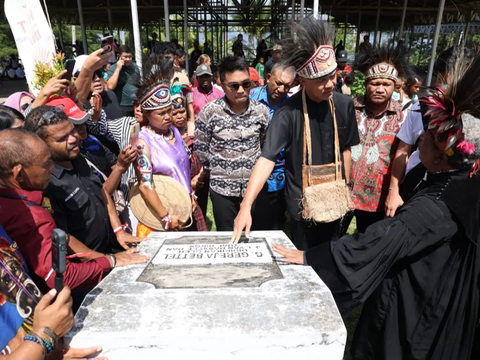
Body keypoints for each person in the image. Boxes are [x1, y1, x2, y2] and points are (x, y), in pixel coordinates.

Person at [273, 51, 480, 360]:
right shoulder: (463, 179)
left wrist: (308, 256)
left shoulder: (434, 207)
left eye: (424, 138)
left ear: (440, 154)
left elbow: (374, 244)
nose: (416, 140)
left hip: (418, 309)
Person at [231, 17, 359, 250]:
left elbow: (346, 148)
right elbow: (267, 158)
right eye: (321, 80)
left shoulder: (343, 105)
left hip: (335, 200)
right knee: (304, 258)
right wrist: (246, 206)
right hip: (302, 206)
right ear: (303, 81)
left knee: (331, 256)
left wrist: (345, 186)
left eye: (332, 76)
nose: (330, 84)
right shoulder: (287, 113)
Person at [0, 129, 147, 307]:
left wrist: (108, 248)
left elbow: (61, 233)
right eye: (46, 165)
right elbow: (61, 277)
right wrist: (112, 261)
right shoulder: (30, 217)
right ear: (19, 174)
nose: (52, 169)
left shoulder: (12, 200)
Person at [24, 103, 143, 256]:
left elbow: (102, 192)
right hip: (90, 267)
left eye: (72, 131)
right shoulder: (48, 184)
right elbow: (64, 241)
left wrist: (119, 231)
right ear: (41, 145)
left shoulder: (77, 158)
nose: (74, 139)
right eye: (62, 139)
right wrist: (110, 261)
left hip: (108, 253)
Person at [384, 47, 474, 217]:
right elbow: (403, 150)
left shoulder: (474, 119)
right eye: (443, 80)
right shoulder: (421, 108)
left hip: (456, 201)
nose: (447, 88)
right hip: (415, 190)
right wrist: (393, 190)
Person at [194, 56, 270, 231]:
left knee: (253, 236)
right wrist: (222, 168)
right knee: (228, 238)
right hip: (222, 191)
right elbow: (201, 148)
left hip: (254, 189)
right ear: (222, 84)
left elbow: (265, 146)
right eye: (234, 86)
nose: (241, 90)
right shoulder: (210, 112)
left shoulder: (261, 112)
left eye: (246, 84)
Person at [133, 59, 202, 235]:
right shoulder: (143, 143)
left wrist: (190, 195)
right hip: (162, 216)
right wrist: (167, 217)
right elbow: (145, 185)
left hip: (186, 205)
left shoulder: (173, 131)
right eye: (161, 113)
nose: (168, 116)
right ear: (147, 114)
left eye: (169, 110)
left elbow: (182, 170)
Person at [344, 47, 408, 233]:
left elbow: (403, 154)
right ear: (365, 83)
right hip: (343, 191)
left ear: (395, 86)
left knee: (367, 245)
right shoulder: (348, 108)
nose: (380, 89)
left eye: (386, 84)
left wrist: (394, 191)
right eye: (375, 83)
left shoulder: (404, 115)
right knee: (331, 241)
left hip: (377, 198)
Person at [249, 63, 296, 230]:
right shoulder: (250, 98)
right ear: (268, 78)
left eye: (287, 86)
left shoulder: (292, 107)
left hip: (278, 176)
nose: (282, 89)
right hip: (249, 172)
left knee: (272, 226)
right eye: (278, 83)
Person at [153, 42, 195, 135]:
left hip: (181, 131)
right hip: (160, 131)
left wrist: (191, 123)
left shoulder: (183, 78)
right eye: (161, 58)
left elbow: (189, 105)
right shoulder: (152, 81)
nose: (165, 61)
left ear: (174, 58)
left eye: (168, 58)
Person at [107, 45, 140, 117]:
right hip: (122, 106)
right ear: (119, 56)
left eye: (130, 57)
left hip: (135, 105)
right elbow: (110, 86)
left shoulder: (135, 67)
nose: (128, 59)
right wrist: (118, 68)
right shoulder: (113, 68)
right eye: (125, 57)